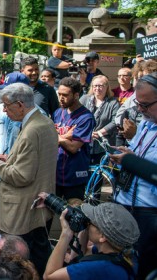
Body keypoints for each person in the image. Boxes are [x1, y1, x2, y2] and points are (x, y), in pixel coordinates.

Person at [0, 83, 58, 275]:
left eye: (7, 105)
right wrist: (11, 159)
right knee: (41, 253)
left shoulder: (31, 131)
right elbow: (35, 162)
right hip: (37, 206)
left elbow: (21, 176)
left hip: (22, 210)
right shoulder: (45, 122)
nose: (4, 110)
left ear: (20, 104)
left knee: (21, 262)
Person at [110, 72, 157, 279]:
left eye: (145, 105)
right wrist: (126, 156)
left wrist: (132, 161)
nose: (140, 110)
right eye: (138, 104)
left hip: (148, 212)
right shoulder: (146, 123)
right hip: (125, 204)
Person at [43, 200, 139, 280]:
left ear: (102, 237)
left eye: (91, 222)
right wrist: (83, 227)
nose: (88, 223)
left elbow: (49, 276)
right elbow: (78, 256)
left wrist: (65, 234)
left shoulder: (97, 267)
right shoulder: (125, 254)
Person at [52, 77, 95, 203]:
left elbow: (73, 147)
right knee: (49, 212)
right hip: (55, 172)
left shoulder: (86, 117)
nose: (61, 98)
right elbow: (50, 137)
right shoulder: (58, 113)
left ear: (76, 95)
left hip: (75, 174)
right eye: (59, 94)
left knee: (73, 213)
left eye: (65, 95)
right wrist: (65, 137)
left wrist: (57, 137)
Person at [80, 75, 120, 165]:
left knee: (98, 174)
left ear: (107, 87)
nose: (97, 88)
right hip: (83, 143)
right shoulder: (84, 99)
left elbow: (115, 121)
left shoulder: (113, 103)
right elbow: (76, 116)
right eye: (95, 86)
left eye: (100, 86)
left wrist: (100, 133)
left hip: (102, 146)